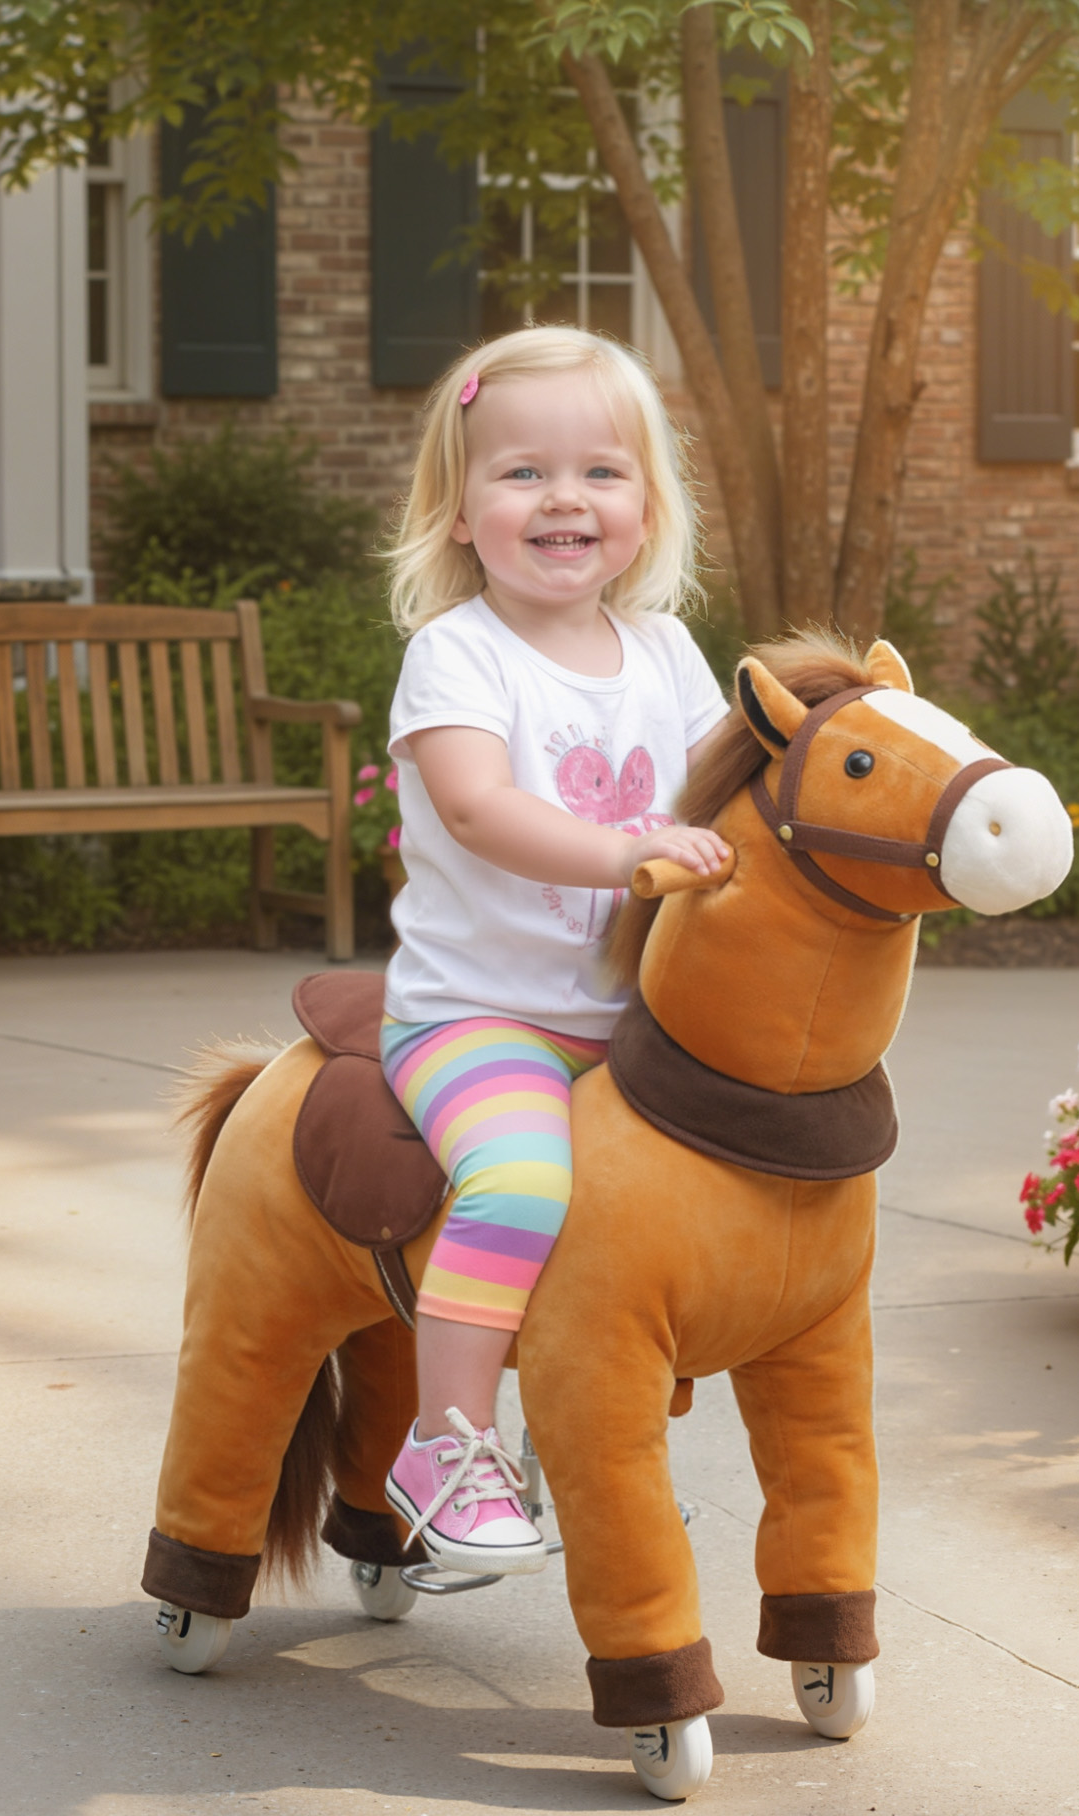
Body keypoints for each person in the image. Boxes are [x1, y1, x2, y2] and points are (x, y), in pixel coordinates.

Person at [379, 324, 735, 1575]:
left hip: (627, 1025)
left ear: (645, 505)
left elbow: (725, 799)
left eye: (599, 470)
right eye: (521, 471)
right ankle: (446, 1435)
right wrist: (632, 851)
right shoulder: (455, 656)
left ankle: (605, 1444)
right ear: (461, 510)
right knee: (522, 1182)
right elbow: (480, 807)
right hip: (480, 1016)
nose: (563, 497)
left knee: (702, 1219)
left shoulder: (669, 654)